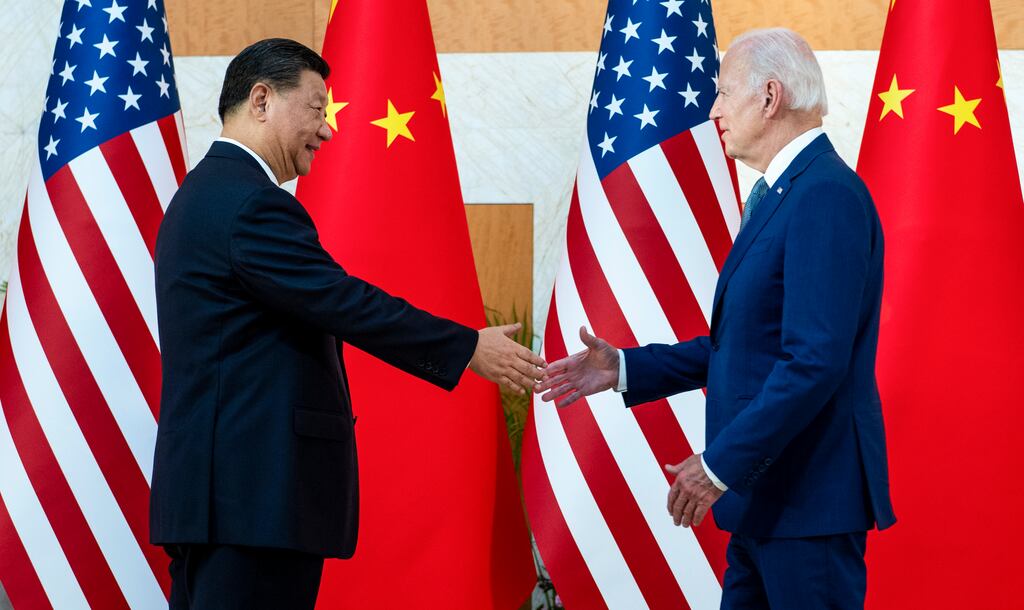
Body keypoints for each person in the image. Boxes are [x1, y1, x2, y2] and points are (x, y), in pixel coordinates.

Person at [150, 38, 545, 609]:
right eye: (315, 108)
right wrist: (465, 348)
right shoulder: (250, 204)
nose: (327, 129)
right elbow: (343, 301)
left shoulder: (201, 195)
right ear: (261, 100)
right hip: (253, 505)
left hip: (218, 501)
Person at [538, 28, 895, 608]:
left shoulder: (824, 195)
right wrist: (625, 368)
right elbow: (745, 346)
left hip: (806, 504)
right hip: (764, 503)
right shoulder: (786, 194)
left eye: (725, 93)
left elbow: (813, 361)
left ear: (770, 97)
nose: (713, 109)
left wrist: (719, 466)